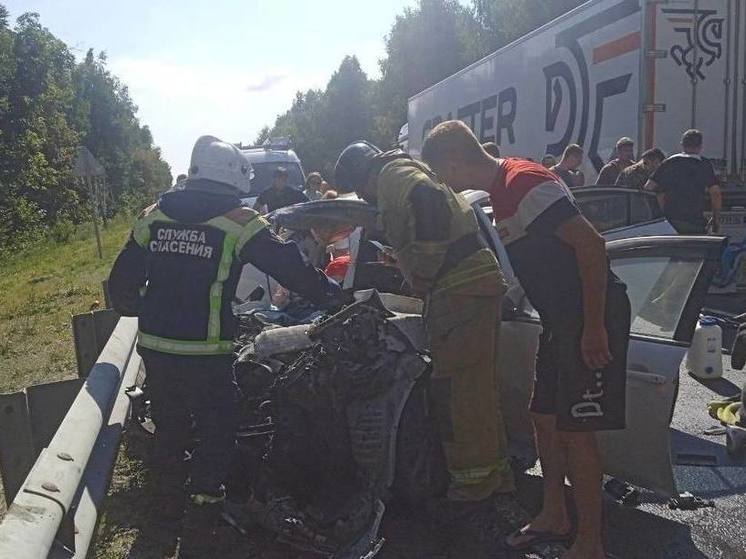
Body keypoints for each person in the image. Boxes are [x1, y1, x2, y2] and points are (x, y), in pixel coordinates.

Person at [108, 136, 341, 555]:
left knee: (170, 426)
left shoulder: (153, 216)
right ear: (233, 180)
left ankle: (162, 517)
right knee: (218, 426)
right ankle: (203, 515)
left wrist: (152, 309)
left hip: (157, 349)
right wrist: (336, 297)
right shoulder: (240, 220)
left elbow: (120, 288)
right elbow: (291, 269)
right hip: (206, 351)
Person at [421, 120, 630, 559]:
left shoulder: (524, 182)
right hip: (560, 320)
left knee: (577, 431)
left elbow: (591, 247)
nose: (445, 185)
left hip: (588, 315)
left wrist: (594, 327)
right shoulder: (501, 192)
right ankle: (555, 513)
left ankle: (591, 544)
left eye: (442, 175)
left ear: (456, 162)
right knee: (544, 417)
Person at [334, 141, 514, 506]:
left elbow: (428, 202)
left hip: (458, 289)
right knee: (477, 390)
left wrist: (424, 268)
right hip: (472, 285)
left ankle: (471, 488)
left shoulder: (392, 176)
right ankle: (495, 478)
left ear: (362, 178)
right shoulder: (405, 169)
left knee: (456, 393)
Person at [644, 129, 722, 234]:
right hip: (694, 221)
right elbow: (715, 193)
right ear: (700, 146)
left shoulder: (669, 162)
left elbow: (648, 188)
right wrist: (715, 219)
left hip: (670, 222)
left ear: (682, 144)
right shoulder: (704, 165)